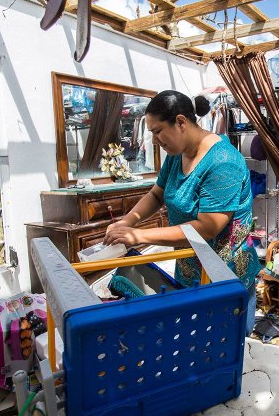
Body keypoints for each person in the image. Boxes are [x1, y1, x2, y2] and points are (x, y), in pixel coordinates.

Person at [103, 90, 260, 332]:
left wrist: (139, 236)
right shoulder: (177, 156)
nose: (155, 141)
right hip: (192, 272)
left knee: (225, 347)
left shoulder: (223, 162)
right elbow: (156, 194)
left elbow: (207, 227)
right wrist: (129, 221)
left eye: (157, 132)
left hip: (225, 276)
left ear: (181, 122)